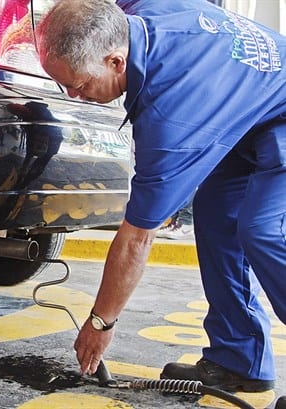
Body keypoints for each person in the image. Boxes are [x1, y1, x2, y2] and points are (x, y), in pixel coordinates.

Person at [36, 0, 285, 392]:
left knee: (265, 230)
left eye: (81, 84)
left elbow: (138, 238)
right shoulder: (135, 13)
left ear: (117, 62)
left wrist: (102, 322)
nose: (74, 95)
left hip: (277, 113)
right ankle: (241, 359)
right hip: (250, 114)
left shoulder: (171, 120)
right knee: (217, 217)